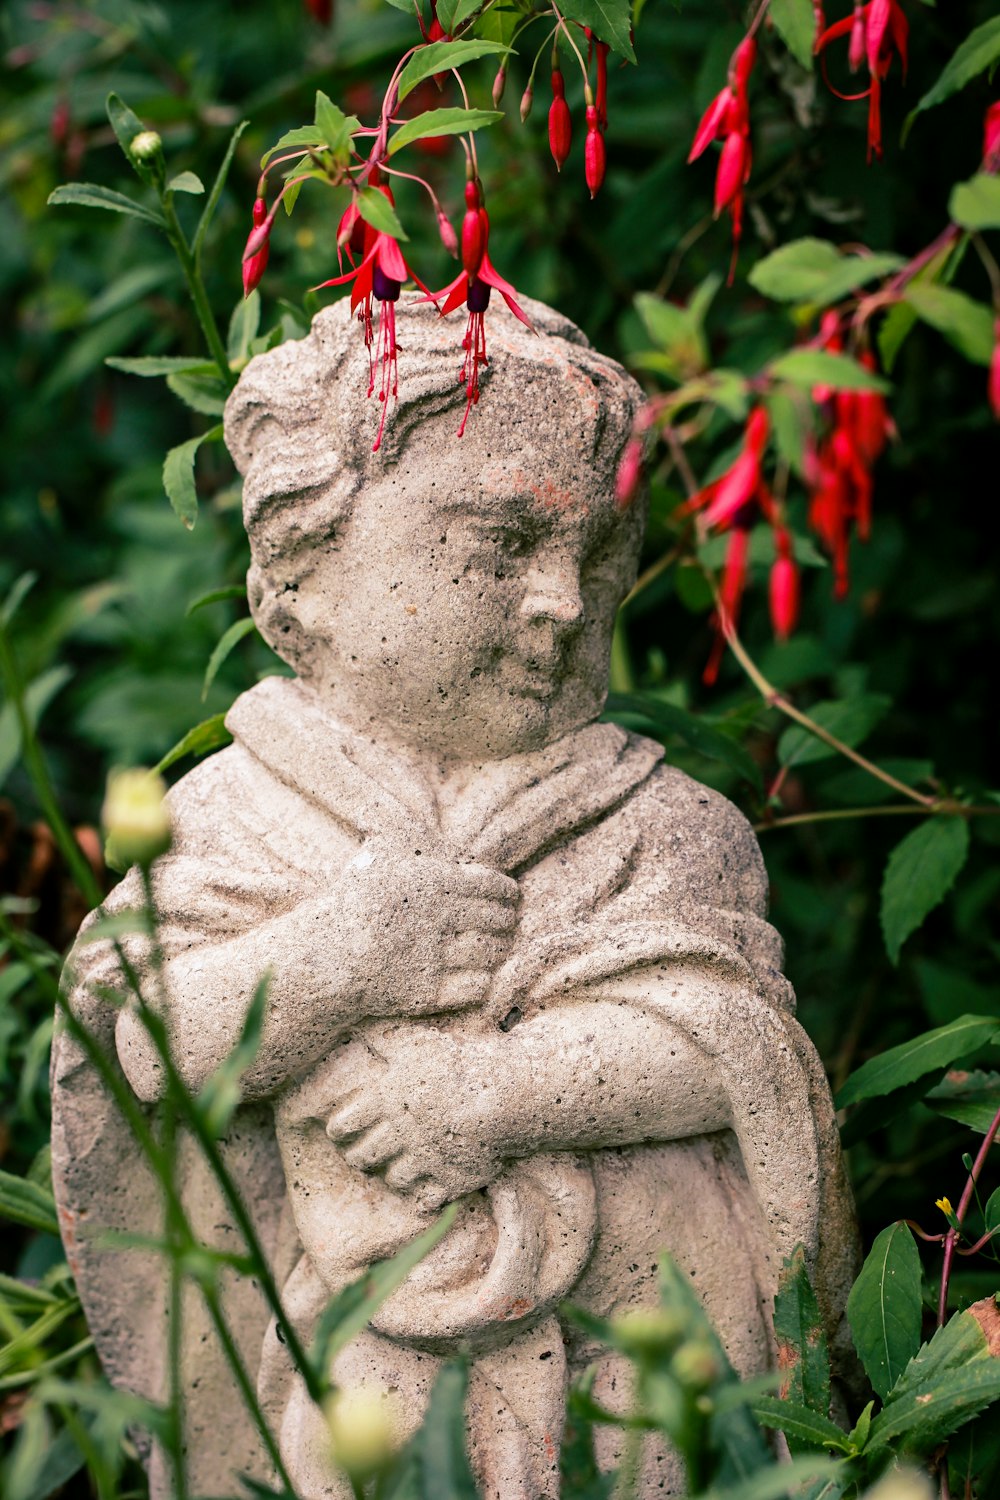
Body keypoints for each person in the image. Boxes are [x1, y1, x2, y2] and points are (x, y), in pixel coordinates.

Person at [52, 296, 856, 1499]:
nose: (564, 603)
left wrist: (500, 1092)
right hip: (358, 1375)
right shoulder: (228, 823)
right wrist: (331, 960)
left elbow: (729, 1046)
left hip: (646, 1374)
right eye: (498, 547)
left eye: (596, 556)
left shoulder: (666, 825)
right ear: (299, 581)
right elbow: (143, 1056)